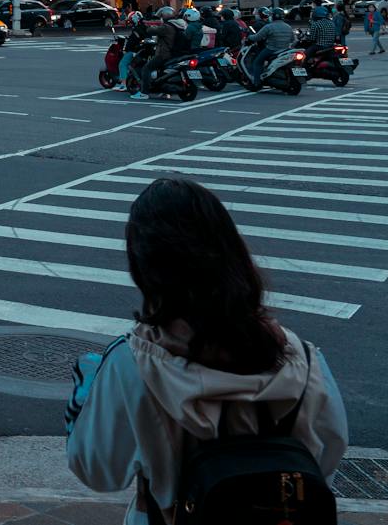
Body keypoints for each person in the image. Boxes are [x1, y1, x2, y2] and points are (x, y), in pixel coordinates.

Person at [66, 176, 347, 525]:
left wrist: (81, 397)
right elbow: (329, 457)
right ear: (232, 251)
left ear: (145, 268)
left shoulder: (131, 364)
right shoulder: (302, 359)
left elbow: (98, 471)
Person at [242, 8, 296, 86]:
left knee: (257, 62)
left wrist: (249, 37)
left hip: (271, 49)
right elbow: (293, 40)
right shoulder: (288, 27)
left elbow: (257, 37)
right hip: (285, 49)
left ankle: (256, 82)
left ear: (273, 16)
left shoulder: (269, 26)